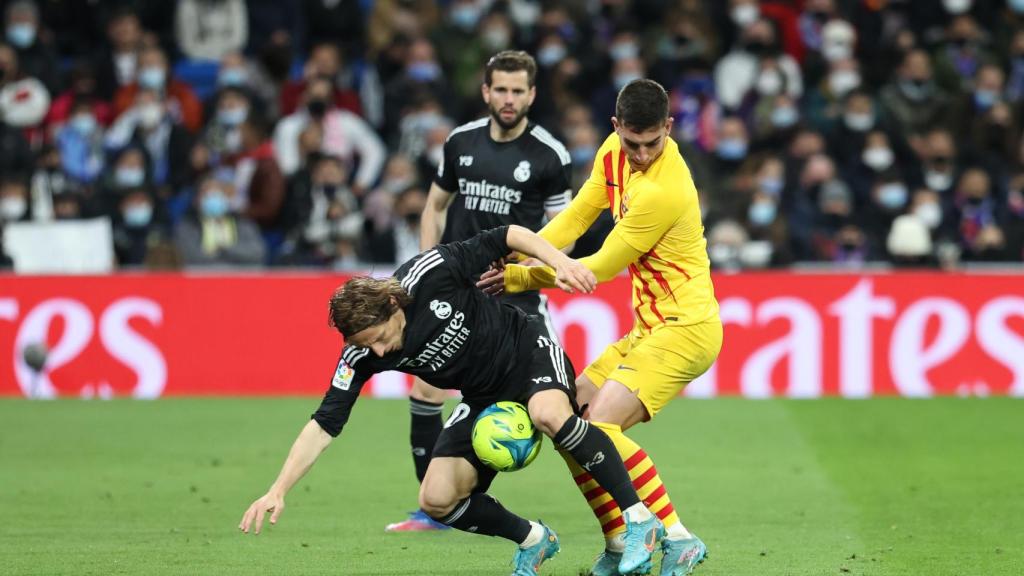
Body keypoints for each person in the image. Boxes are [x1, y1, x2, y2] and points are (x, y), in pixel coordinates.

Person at [239, 225, 666, 576]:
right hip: (482, 396)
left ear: (392, 304)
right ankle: (534, 539)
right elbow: (324, 424)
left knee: (549, 413)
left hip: (526, 350)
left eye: (380, 338)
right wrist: (278, 489)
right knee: (436, 498)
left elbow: (508, 235)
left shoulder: (429, 273)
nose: (381, 354)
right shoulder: (361, 354)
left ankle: (639, 519)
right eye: (368, 346)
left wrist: (561, 262)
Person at [481, 79, 721, 576]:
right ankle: (618, 544)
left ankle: (673, 535)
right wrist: (525, 248)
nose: (640, 153)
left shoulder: (665, 189)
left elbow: (601, 266)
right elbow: (575, 217)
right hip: (649, 326)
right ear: (615, 128)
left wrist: (522, 275)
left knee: (599, 427)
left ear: (669, 129)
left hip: (686, 327)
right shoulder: (614, 153)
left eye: (652, 142)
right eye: (632, 142)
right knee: (571, 423)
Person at [387, 50, 574, 532]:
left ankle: (610, 501)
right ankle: (429, 509)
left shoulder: (550, 155)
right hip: (462, 288)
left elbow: (566, 230)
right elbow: (433, 207)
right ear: (486, 91)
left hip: (515, 296)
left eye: (518, 91)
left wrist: (532, 265)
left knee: (557, 409)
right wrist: (423, 272)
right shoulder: (460, 141)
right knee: (425, 385)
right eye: (501, 90)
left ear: (531, 95)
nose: (509, 100)